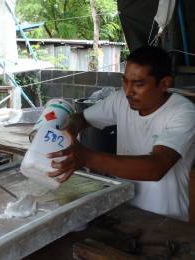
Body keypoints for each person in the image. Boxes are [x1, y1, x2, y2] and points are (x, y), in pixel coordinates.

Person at [47, 46, 195, 221]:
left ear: (164, 84)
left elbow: (156, 167)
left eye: (139, 84)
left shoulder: (183, 112)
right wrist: (68, 131)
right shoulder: (120, 100)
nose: (128, 91)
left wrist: (87, 157)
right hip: (123, 209)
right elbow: (81, 118)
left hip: (165, 219)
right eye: (125, 81)